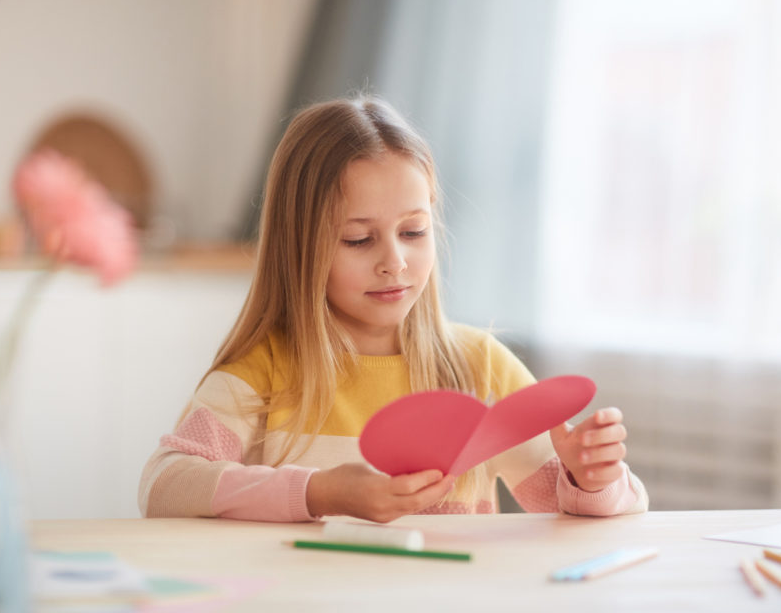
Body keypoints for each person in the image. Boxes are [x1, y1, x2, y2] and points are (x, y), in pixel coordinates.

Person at [138, 96, 648, 523]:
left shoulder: (481, 369)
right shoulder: (264, 372)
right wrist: (320, 492)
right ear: (300, 246)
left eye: (412, 232)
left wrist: (591, 478)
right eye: (358, 239)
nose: (394, 262)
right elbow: (164, 485)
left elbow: (567, 506)